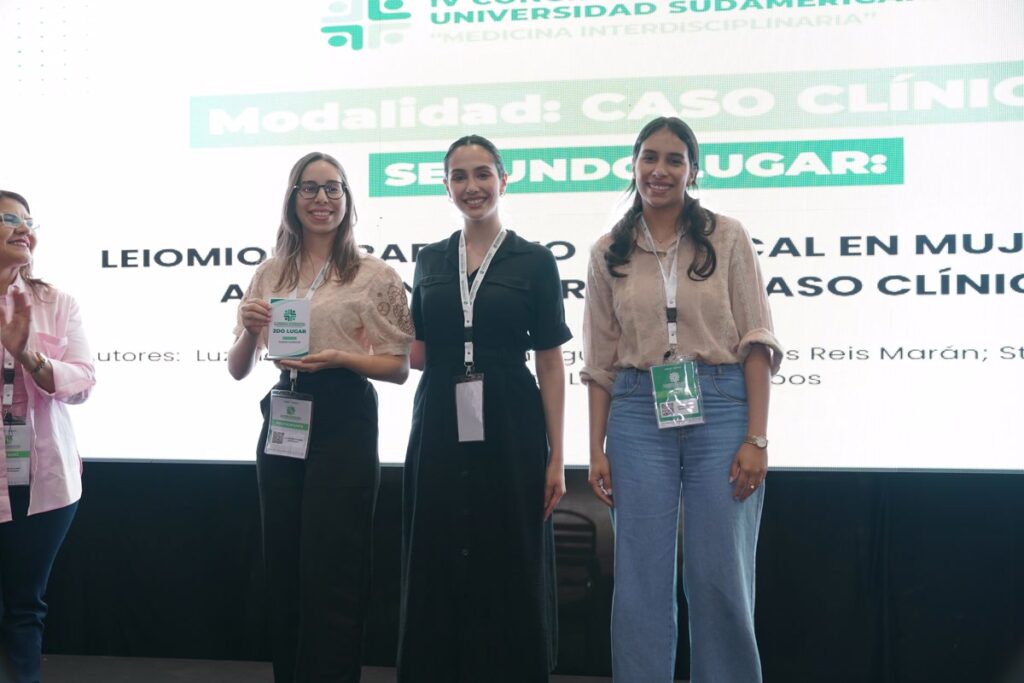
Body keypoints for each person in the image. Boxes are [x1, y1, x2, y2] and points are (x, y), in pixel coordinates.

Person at [581, 117, 783, 683]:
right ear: (633, 165)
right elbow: (599, 362)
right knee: (640, 577)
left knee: (720, 573)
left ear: (693, 171)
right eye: (649, 157)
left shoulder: (727, 236)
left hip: (721, 405)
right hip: (636, 411)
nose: (660, 170)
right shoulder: (608, 251)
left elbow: (758, 340)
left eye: (674, 159)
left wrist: (757, 437)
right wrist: (595, 450)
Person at [228, 153, 413, 683]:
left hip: (343, 411)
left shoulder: (373, 274)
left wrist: (340, 358)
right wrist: (248, 329)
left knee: (334, 564)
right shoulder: (271, 271)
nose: (321, 199)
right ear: (293, 199)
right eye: (309, 189)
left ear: (347, 199)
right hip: (284, 409)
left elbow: (399, 367)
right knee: (284, 561)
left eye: (333, 188)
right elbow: (239, 369)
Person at [397, 135, 570, 683]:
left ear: (503, 179)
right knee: (439, 546)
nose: (471, 186)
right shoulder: (429, 259)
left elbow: (550, 362)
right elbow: (419, 351)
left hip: (512, 418)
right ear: (446, 187)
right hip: (439, 417)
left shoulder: (535, 261)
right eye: (459, 176)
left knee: (510, 550)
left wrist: (557, 456)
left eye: (482, 174)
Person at [0, 190, 96, 683]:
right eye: (8, 218)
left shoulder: (57, 302)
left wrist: (28, 355)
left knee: (24, 608)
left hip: (45, 482)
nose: (24, 229)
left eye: (29, 221)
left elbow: (82, 383)